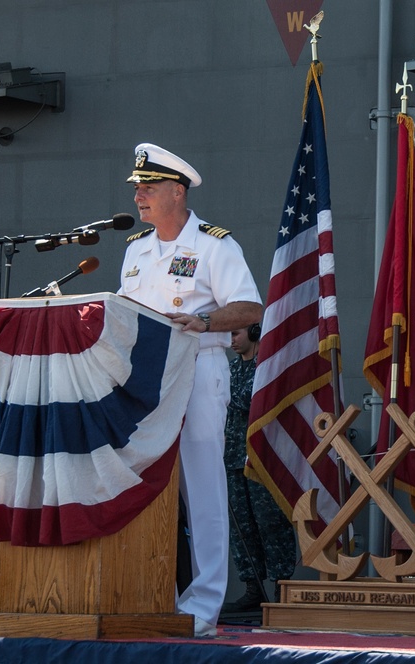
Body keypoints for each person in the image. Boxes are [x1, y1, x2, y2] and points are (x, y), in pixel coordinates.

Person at [118, 143, 263, 637]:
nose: (139, 196)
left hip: (198, 368)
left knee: (202, 484)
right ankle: (140, 590)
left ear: (177, 192)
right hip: (141, 379)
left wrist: (201, 320)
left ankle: (203, 604)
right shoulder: (136, 249)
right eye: (138, 188)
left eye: (149, 187)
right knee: (139, 481)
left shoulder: (214, 245)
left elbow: (249, 308)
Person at [223, 323, 296, 613]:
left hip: (260, 459)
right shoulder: (229, 369)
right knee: (241, 527)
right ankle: (253, 586)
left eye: (235, 334)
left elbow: (251, 402)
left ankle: (281, 585)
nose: (231, 341)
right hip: (231, 459)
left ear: (253, 333)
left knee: (270, 521)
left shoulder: (265, 368)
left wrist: (220, 396)